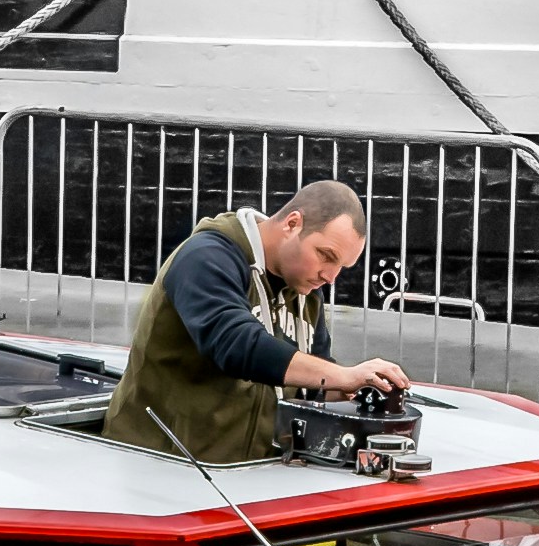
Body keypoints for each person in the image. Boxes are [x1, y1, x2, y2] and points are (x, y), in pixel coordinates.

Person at [102, 180, 411, 465]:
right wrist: (341, 375)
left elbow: (311, 378)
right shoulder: (206, 256)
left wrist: (348, 389)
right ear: (293, 224)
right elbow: (235, 345)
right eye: (326, 255)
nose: (330, 276)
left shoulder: (305, 292)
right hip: (157, 465)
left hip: (241, 476)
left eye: (341, 267)